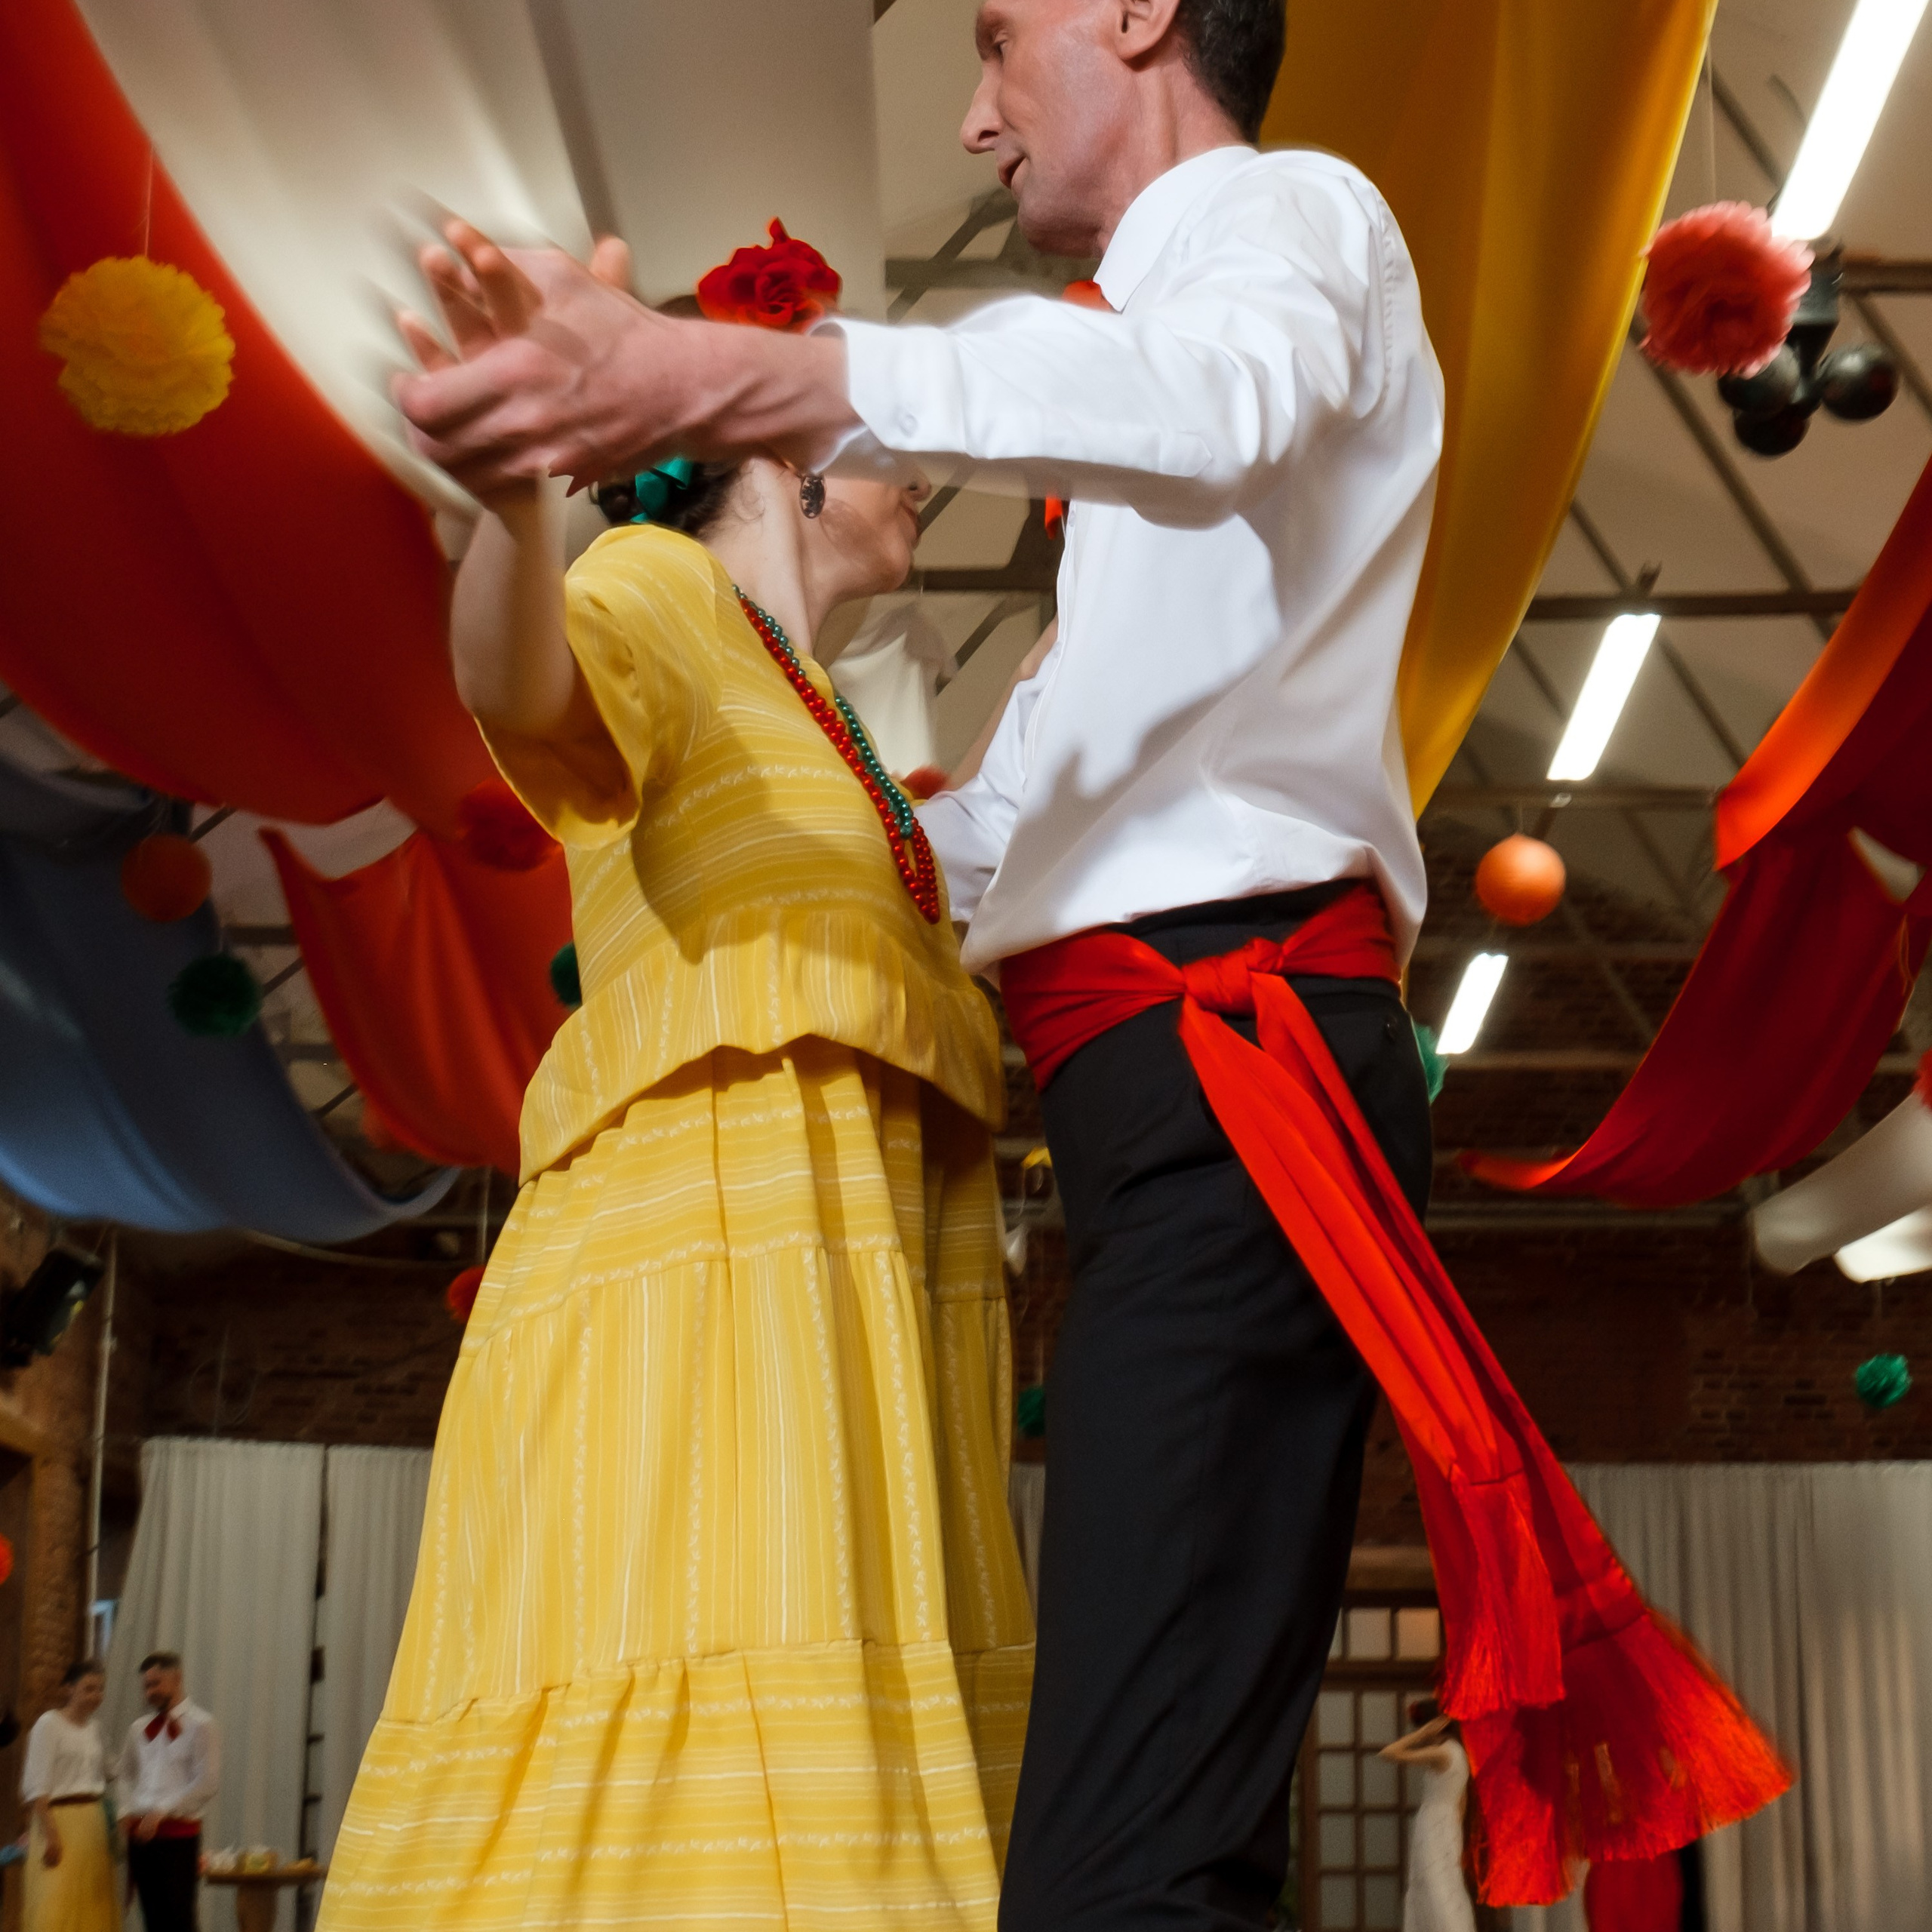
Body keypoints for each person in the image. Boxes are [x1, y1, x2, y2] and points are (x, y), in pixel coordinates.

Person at [386, 1, 1791, 1922]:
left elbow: (1201, 406)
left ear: (1132, 10)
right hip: (1161, 1092)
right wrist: (552, 496)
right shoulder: (1079, 511)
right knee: (1129, 1824)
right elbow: (979, 820)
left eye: (989, 39)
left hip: (1228, 1049)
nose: (969, 118)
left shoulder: (1274, 222)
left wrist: (727, 371)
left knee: (1121, 1856)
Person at [318, 224, 1032, 1932]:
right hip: (708, 1266)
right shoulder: (658, 593)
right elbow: (523, 683)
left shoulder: (837, 718)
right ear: (774, 458)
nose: (909, 474)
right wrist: (507, 504)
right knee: (693, 1734)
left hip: (849, 1270)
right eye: (865, 432)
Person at [115, 1652, 217, 1932]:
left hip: (179, 1835)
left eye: (156, 1684)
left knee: (179, 1917)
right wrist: (124, 1810)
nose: (150, 1692)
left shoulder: (202, 1724)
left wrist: (164, 1811)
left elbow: (207, 1783)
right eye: (146, 1686)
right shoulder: (138, 1728)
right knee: (152, 1917)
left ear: (177, 1678)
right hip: (141, 1835)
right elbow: (123, 1774)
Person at [21, 1659, 118, 1932]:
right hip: (59, 1821)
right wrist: (51, 1834)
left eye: (100, 1689)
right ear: (69, 1689)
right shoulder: (48, 1724)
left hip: (93, 1823)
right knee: (56, 1902)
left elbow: (112, 1770)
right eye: (88, 1688)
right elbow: (37, 1786)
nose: (95, 1696)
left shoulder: (96, 1729)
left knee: (92, 1902)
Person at [1381, 1700, 1475, 1932]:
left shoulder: (1443, 1753)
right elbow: (1462, 1802)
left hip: (1433, 1824)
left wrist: (1422, 1735)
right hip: (1449, 1825)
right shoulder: (1461, 1753)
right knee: (1447, 1887)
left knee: (1435, 1888)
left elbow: (1389, 1753)